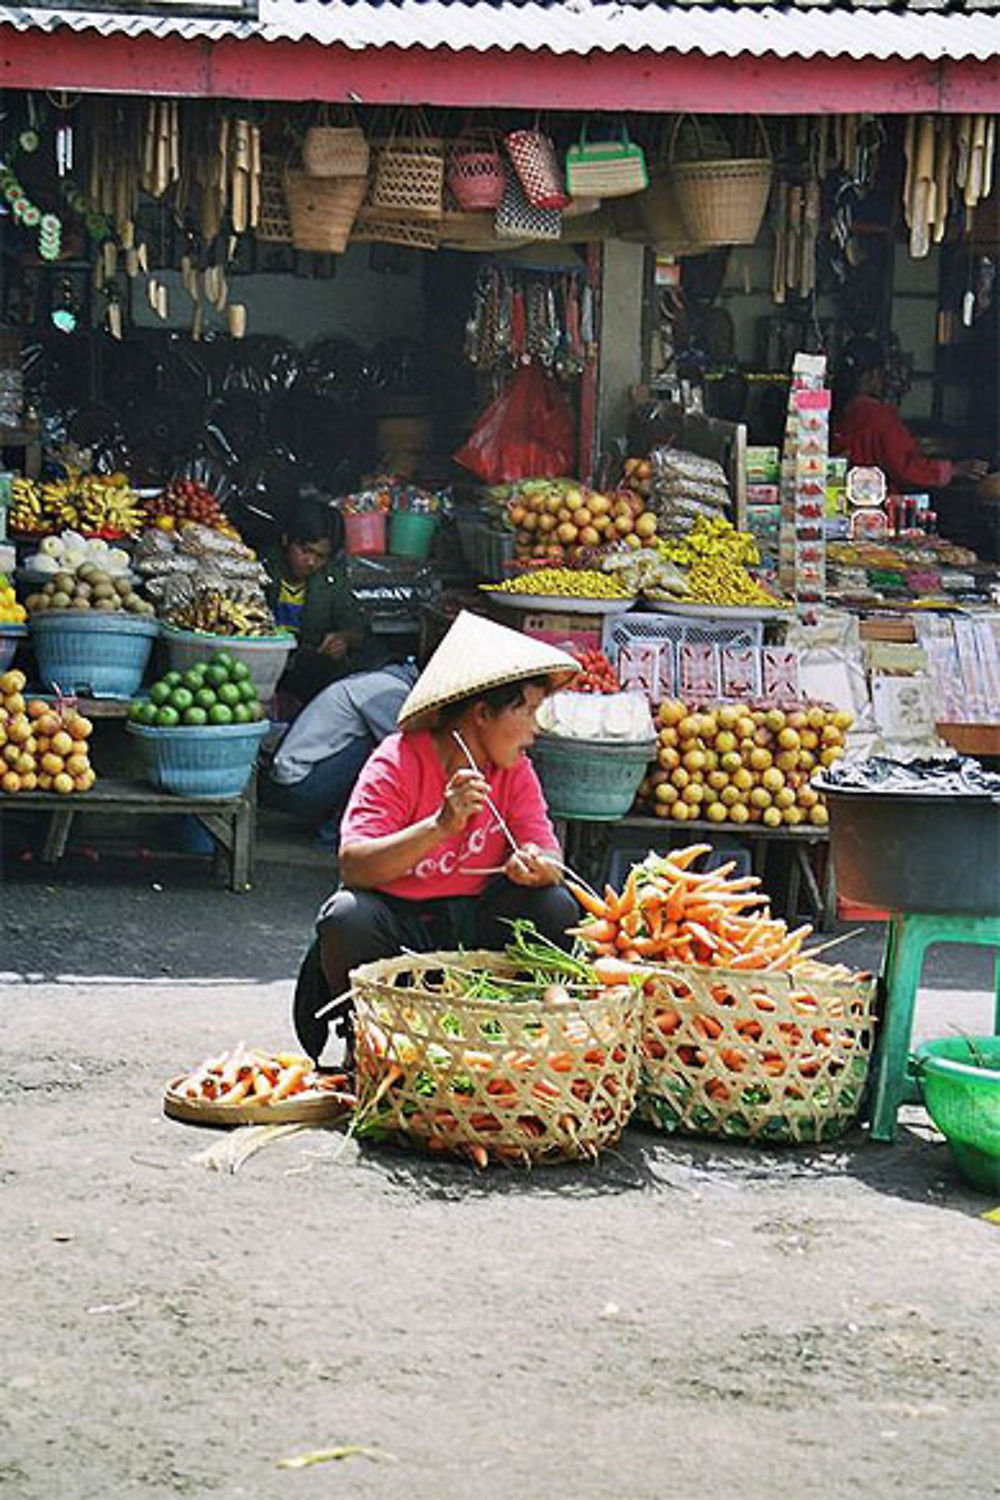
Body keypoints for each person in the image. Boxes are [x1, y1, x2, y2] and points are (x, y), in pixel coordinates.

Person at [291, 610, 581, 1064]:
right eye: (525, 710)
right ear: (482, 714)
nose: (534, 728)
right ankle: (365, 1041)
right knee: (346, 917)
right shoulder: (398, 760)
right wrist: (439, 826)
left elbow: (547, 850)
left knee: (556, 905)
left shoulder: (515, 772)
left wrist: (540, 867)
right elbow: (354, 865)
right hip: (398, 926)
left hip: (474, 927)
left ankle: (525, 1039)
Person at [265, 660, 419, 844]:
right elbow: (411, 749)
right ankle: (333, 836)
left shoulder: (384, 680)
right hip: (298, 785)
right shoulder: (389, 690)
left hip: (300, 778)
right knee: (382, 752)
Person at [831, 336, 988, 492]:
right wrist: (953, 470)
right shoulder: (879, 416)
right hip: (874, 507)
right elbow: (905, 466)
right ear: (871, 375)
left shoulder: (835, 411)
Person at [262, 491, 367, 710]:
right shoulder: (262, 568)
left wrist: (343, 638)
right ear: (286, 540)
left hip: (308, 682)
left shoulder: (331, 580)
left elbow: (359, 628)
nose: (311, 562)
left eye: (320, 556)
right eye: (305, 550)